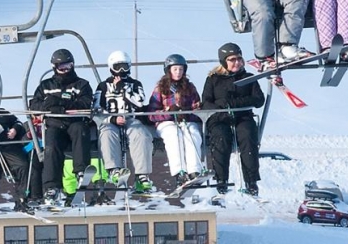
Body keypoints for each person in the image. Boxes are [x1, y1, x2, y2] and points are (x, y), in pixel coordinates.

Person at [28, 49, 92, 205]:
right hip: (55, 124)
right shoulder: (46, 86)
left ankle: (81, 171)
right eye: (61, 67)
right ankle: (52, 186)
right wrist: (48, 105)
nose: (65, 70)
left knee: (80, 131)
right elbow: (34, 104)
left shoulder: (82, 84)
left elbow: (85, 103)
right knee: (51, 143)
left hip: (75, 122)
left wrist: (60, 104)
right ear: (54, 67)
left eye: (68, 66)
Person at [202, 43, 265, 196]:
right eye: (232, 59)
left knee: (247, 136)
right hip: (220, 119)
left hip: (242, 117)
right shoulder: (213, 79)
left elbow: (258, 99)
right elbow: (206, 102)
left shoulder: (248, 78)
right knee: (221, 137)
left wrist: (233, 104)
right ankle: (221, 179)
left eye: (238, 59)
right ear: (224, 61)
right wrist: (220, 108)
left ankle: (251, 181)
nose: (236, 62)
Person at [94, 50, 154, 193]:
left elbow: (139, 102)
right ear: (111, 67)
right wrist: (112, 118)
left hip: (131, 119)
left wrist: (123, 89)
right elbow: (96, 109)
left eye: (124, 67)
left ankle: (142, 175)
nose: (121, 71)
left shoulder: (135, 84)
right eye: (118, 67)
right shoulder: (103, 86)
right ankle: (114, 170)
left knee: (141, 135)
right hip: (110, 120)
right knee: (107, 134)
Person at [148, 54, 205, 187]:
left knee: (192, 133)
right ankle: (179, 172)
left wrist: (187, 112)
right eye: (175, 69)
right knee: (174, 135)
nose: (178, 73)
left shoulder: (190, 87)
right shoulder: (161, 88)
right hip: (166, 123)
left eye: (181, 69)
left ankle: (194, 171)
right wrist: (168, 112)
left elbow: (197, 108)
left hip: (185, 120)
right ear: (168, 70)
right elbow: (151, 114)